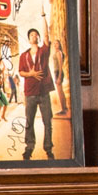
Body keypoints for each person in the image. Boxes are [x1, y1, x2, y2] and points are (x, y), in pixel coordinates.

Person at [18, 27, 57, 160]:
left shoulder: (43, 51)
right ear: (29, 39)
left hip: (44, 92)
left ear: (38, 38)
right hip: (30, 93)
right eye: (31, 35)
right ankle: (29, 148)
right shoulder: (24, 56)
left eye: (36, 34)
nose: (34, 36)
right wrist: (31, 74)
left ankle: (48, 148)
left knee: (47, 122)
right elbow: (21, 72)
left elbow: (46, 35)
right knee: (29, 122)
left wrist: (43, 16)